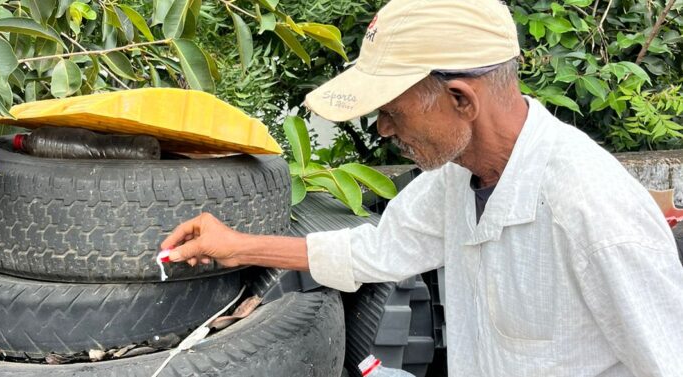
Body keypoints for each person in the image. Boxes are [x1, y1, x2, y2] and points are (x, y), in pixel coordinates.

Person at [160, 0, 683, 375]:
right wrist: (237, 246)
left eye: (392, 111)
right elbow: (378, 250)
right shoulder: (458, 178)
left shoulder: (593, 210)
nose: (384, 129)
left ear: (461, 99)